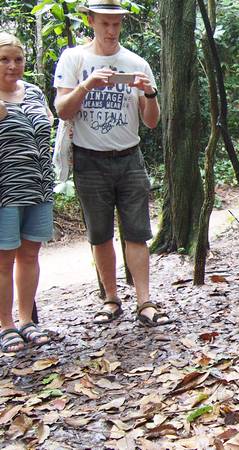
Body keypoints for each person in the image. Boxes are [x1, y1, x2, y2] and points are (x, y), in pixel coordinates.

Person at [53, 0, 172, 327]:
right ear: (91, 20)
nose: (110, 30)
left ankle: (145, 302)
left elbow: (150, 122)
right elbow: (62, 109)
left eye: (116, 24)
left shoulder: (136, 63)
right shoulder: (74, 59)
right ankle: (110, 299)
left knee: (136, 232)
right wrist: (87, 84)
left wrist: (150, 95)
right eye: (104, 23)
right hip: (89, 159)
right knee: (100, 234)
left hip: (129, 158)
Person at [0, 33, 55, 353]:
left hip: (39, 186)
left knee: (31, 255)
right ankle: (5, 325)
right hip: (5, 190)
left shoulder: (33, 91)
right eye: (4, 59)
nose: (12, 65)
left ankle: (26, 321)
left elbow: (47, 126)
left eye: (17, 59)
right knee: (4, 259)